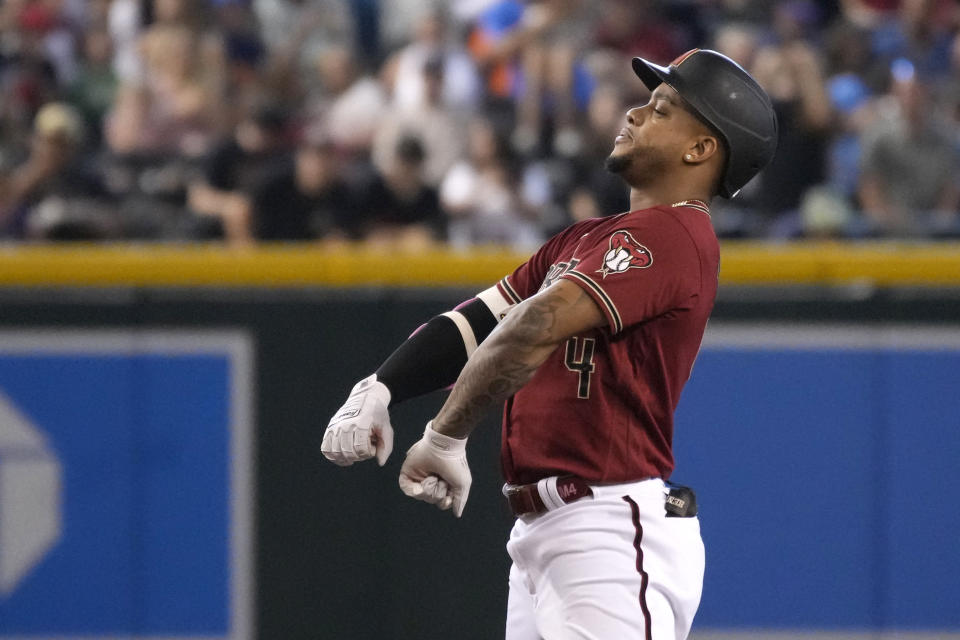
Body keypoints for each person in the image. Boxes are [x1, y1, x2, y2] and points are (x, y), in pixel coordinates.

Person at [321, 49, 777, 639]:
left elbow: (531, 329)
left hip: (608, 530)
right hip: (548, 534)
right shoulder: (586, 237)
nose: (636, 112)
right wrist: (384, 384)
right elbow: (476, 323)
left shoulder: (674, 233)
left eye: (662, 109)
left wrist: (446, 433)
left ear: (700, 150)